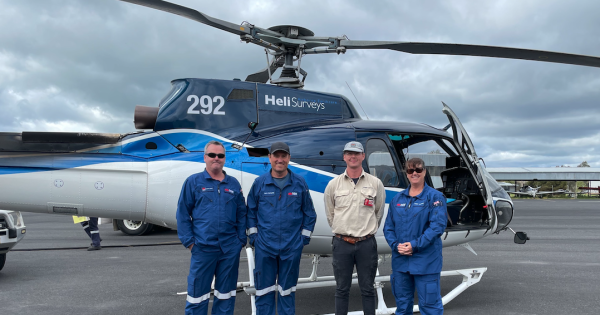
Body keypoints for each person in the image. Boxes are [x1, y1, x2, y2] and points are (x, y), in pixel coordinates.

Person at [176, 140, 247, 315]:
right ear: (205, 157)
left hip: (229, 249)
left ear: (224, 158)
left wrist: (240, 241)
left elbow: (241, 214)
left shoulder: (233, 184)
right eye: (212, 155)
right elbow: (183, 214)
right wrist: (190, 242)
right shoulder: (193, 182)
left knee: (226, 296)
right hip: (203, 248)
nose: (216, 158)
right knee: (197, 297)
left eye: (220, 155)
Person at [247, 141, 317, 315]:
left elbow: (310, 214)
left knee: (287, 293)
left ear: (289, 158)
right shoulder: (259, 184)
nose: (280, 159)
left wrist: (302, 241)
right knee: (264, 292)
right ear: (269, 158)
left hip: (291, 249)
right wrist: (255, 238)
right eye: (276, 156)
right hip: (265, 248)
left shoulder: (299, 184)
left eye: (283, 156)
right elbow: (250, 213)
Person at [324, 141, 386, 315]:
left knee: (367, 289)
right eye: (349, 153)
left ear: (363, 156)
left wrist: (367, 231)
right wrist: (342, 231)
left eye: (357, 153)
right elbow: (331, 215)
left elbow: (378, 212)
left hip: (366, 243)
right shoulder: (333, 185)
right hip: (342, 243)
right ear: (344, 157)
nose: (353, 156)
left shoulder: (375, 184)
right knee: (342, 290)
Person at [383, 157, 447, 315]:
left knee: (430, 307)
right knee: (403, 307)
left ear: (424, 172)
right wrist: (395, 245)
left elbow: (437, 227)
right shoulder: (398, 199)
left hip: (426, 262)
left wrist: (414, 245)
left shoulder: (435, 197)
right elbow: (388, 227)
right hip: (401, 262)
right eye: (411, 170)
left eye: (418, 169)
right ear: (406, 173)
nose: (415, 173)